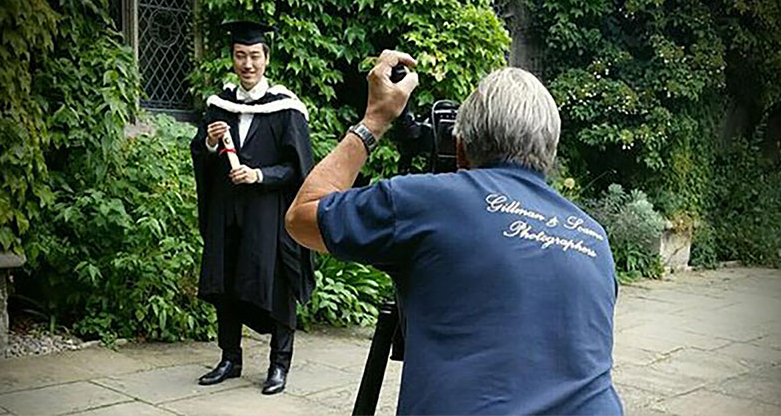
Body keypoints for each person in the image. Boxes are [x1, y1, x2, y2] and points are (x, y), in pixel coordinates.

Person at [286, 51, 624, 416]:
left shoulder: (428, 202)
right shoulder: (594, 238)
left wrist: (375, 120)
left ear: (460, 148)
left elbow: (302, 216)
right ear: (550, 150)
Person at [191, 20, 314, 395]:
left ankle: (279, 365)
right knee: (226, 281)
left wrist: (259, 175)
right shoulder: (219, 105)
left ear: (266, 58)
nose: (248, 64)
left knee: (276, 286)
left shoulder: (285, 108)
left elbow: (299, 168)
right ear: (232, 59)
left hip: (268, 215)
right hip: (227, 212)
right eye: (241, 56)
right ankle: (230, 359)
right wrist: (211, 145)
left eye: (254, 56)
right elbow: (201, 157)